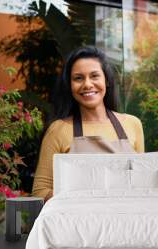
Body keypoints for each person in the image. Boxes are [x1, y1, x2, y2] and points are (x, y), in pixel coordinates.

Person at [32, 46, 145, 202]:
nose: (87, 84)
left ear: (106, 80)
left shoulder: (132, 124)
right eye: (78, 78)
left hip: (125, 219)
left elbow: (141, 184)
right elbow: (40, 191)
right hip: (79, 222)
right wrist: (78, 197)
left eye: (94, 76)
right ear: (69, 85)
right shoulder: (59, 130)